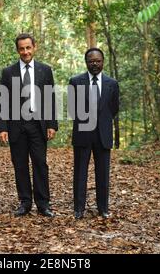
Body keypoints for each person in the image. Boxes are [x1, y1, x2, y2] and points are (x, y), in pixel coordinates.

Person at [0, 33, 58, 217]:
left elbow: (50, 98)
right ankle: (25, 202)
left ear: (34, 47)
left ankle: (43, 204)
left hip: (38, 124)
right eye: (22, 49)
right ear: (18, 50)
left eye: (28, 47)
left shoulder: (45, 70)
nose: (25, 52)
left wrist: (52, 124)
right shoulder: (8, 72)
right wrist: (2, 127)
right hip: (16, 125)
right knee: (20, 164)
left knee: (40, 163)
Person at [69, 48, 119, 219]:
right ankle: (78, 209)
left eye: (98, 61)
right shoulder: (75, 82)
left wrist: (102, 121)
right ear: (86, 62)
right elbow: (72, 108)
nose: (95, 64)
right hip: (83, 134)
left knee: (103, 173)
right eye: (91, 61)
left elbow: (114, 108)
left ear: (103, 62)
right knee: (80, 172)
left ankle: (103, 208)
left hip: (103, 134)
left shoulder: (112, 83)